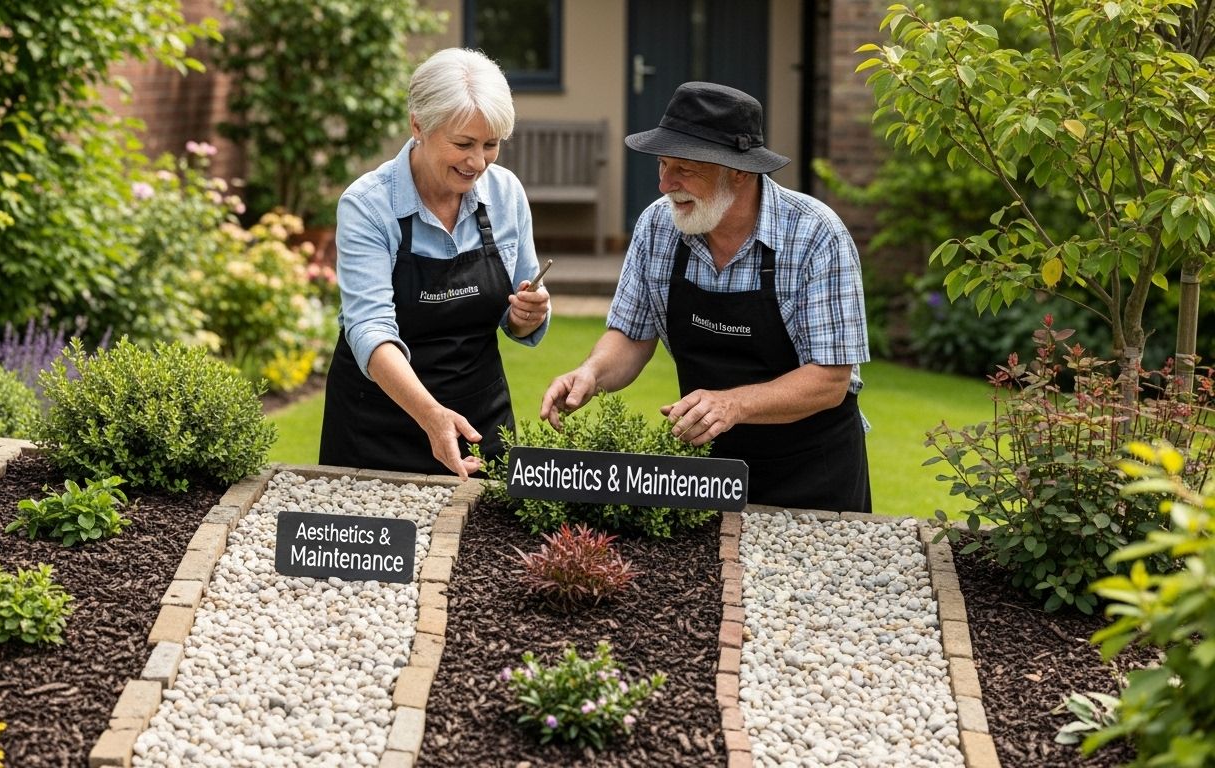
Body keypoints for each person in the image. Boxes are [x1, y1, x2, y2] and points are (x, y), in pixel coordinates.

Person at [540, 82, 871, 513]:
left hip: (813, 473)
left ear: (739, 172)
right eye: (662, 164)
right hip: (710, 471)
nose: (665, 184)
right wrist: (591, 374)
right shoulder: (658, 226)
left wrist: (732, 403)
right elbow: (632, 336)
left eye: (685, 168)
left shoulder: (815, 235)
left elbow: (830, 380)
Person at [319, 48, 550, 480]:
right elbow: (369, 330)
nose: (477, 162)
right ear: (418, 126)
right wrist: (430, 414)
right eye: (462, 144)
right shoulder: (368, 205)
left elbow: (519, 311)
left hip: (479, 424)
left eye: (490, 145)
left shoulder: (506, 195)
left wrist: (528, 315)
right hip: (375, 430)